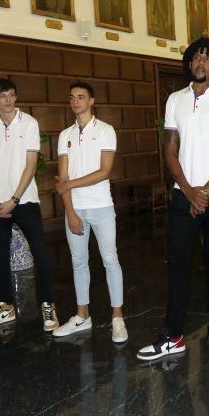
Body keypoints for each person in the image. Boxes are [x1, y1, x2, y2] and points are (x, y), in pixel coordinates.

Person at [137, 37, 209, 363]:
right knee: (178, 264)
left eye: (208, 58)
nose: (201, 63)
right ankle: (173, 335)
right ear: (189, 63)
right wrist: (187, 190)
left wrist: (206, 191)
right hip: (184, 196)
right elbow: (170, 148)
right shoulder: (175, 99)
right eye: (196, 57)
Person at [0, 78, 58, 332]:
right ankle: (6, 307)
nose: (9, 100)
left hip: (25, 200)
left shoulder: (30, 123)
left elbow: (31, 165)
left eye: (12, 95)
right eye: (3, 96)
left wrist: (14, 200)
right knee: (0, 257)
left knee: (40, 255)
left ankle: (48, 305)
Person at [52, 81, 127, 343]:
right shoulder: (65, 135)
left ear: (91, 101)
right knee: (78, 262)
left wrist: (69, 184)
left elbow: (104, 171)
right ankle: (82, 315)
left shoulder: (106, 131)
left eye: (81, 97)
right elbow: (61, 176)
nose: (75, 101)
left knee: (110, 260)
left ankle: (117, 317)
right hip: (75, 208)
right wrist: (70, 212)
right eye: (71, 97)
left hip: (102, 207)